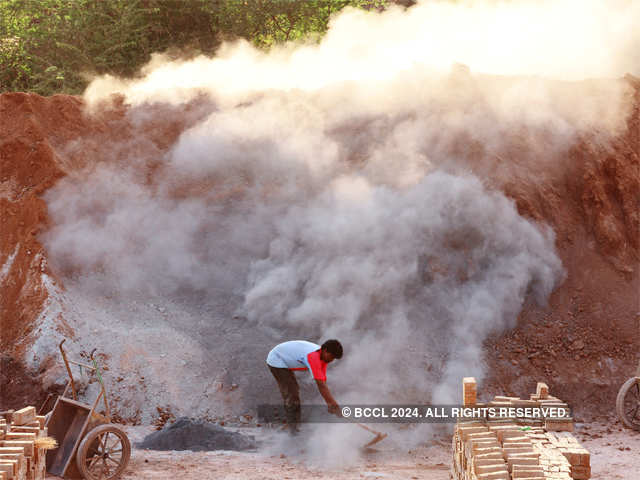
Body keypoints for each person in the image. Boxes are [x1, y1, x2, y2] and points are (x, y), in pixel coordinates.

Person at [266, 339, 343, 432]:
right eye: (332, 356)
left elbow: (323, 382)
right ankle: (293, 429)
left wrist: (330, 404)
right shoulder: (313, 357)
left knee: (293, 390)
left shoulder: (323, 358)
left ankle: (294, 425)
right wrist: (334, 405)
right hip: (276, 359)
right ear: (325, 350)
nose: (332, 360)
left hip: (285, 357)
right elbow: (321, 385)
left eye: (334, 358)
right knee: (292, 393)